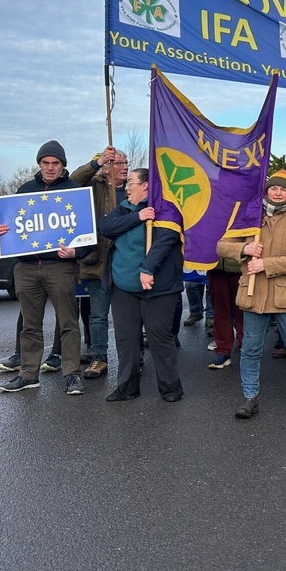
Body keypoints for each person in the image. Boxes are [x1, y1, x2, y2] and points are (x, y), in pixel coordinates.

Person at [217, 170, 286, 420]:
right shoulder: (249, 216)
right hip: (254, 295)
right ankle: (249, 397)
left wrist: (266, 264)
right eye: (273, 188)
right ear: (266, 191)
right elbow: (221, 245)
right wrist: (245, 247)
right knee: (250, 349)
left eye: (283, 189)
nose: (277, 192)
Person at [0, 141, 88, 395]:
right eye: (45, 163)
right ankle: (28, 374)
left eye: (55, 163)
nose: (50, 168)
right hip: (25, 268)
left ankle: (71, 374)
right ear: (39, 164)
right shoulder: (24, 190)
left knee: (68, 323)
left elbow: (91, 236)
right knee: (30, 324)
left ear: (63, 165)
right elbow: (11, 227)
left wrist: (76, 252)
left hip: (60, 268)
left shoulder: (75, 191)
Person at [99, 167, 184, 402]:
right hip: (124, 287)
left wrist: (147, 268)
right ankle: (127, 387)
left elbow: (164, 242)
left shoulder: (167, 209)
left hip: (158, 288)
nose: (126, 187)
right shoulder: (124, 208)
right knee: (126, 340)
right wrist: (138, 217)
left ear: (146, 186)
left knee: (159, 338)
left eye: (131, 183)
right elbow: (105, 228)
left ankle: (170, 388)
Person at [70, 145, 126, 378]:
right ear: (107, 169)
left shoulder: (134, 190)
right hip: (98, 263)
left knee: (127, 316)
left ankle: (132, 357)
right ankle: (99, 358)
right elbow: (73, 181)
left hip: (125, 263)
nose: (125, 168)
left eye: (126, 164)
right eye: (119, 164)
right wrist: (99, 160)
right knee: (98, 316)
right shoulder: (93, 188)